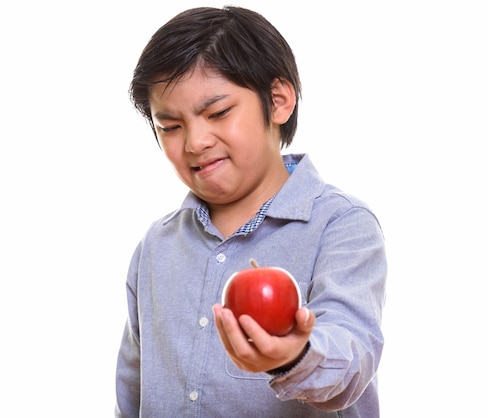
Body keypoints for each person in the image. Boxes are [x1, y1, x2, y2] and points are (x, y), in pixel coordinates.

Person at [115, 6, 387, 417]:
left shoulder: (341, 225)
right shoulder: (157, 245)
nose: (195, 142)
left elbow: (352, 358)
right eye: (170, 126)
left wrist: (294, 355)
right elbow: (132, 385)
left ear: (278, 101)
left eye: (218, 112)